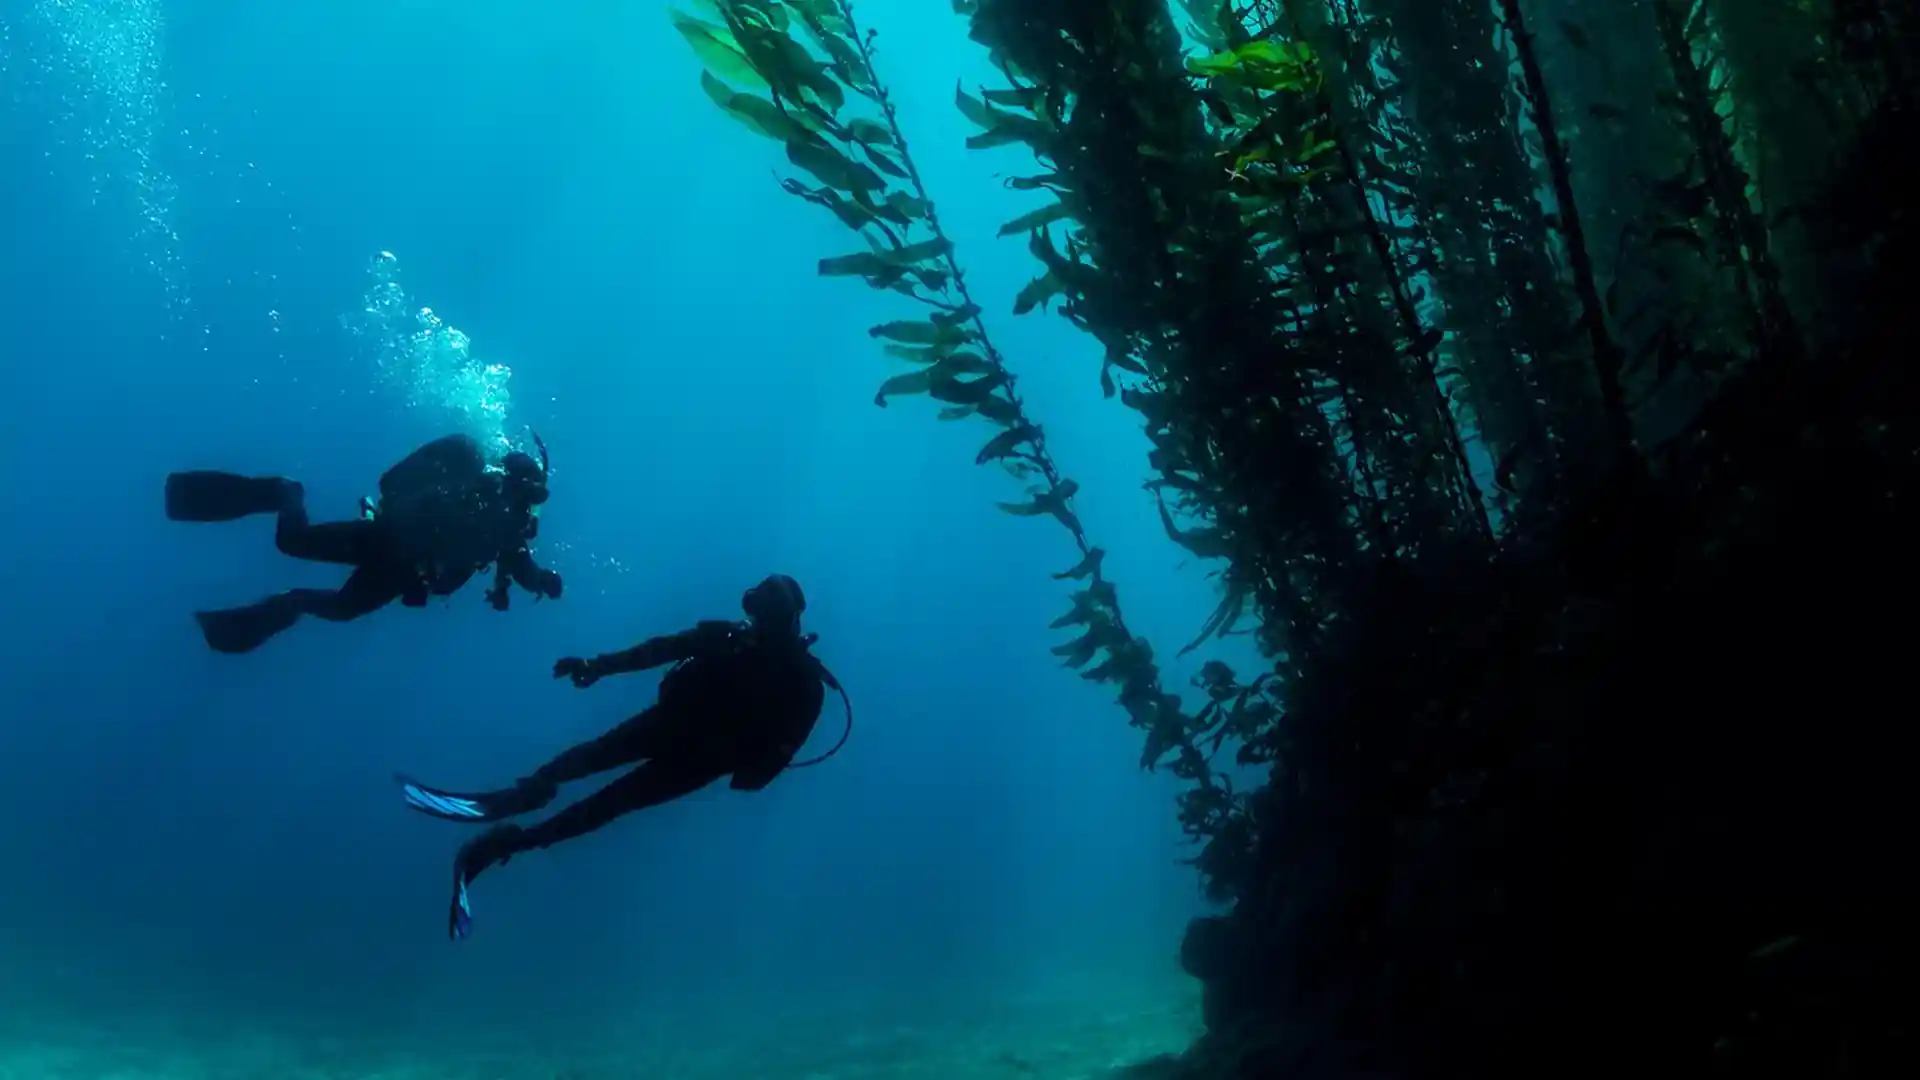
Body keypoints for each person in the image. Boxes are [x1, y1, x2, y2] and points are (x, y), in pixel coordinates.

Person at [396, 574, 849, 940]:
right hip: (677, 736)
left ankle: (511, 838)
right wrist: (597, 666)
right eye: (757, 610)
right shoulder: (729, 640)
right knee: (596, 772)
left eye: (768, 613)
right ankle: (522, 803)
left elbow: (780, 747)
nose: (759, 621)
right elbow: (658, 650)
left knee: (608, 800)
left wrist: (599, 667)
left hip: (697, 759)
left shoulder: (802, 679)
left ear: (790, 618)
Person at [163, 432, 563, 654]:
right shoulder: (477, 485)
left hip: (404, 573)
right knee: (292, 542)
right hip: (384, 538)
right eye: (526, 488)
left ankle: (288, 603)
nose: (526, 501)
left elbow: (520, 564)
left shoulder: (511, 527)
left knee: (342, 610)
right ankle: (285, 492)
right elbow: (412, 497)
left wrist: (543, 579)